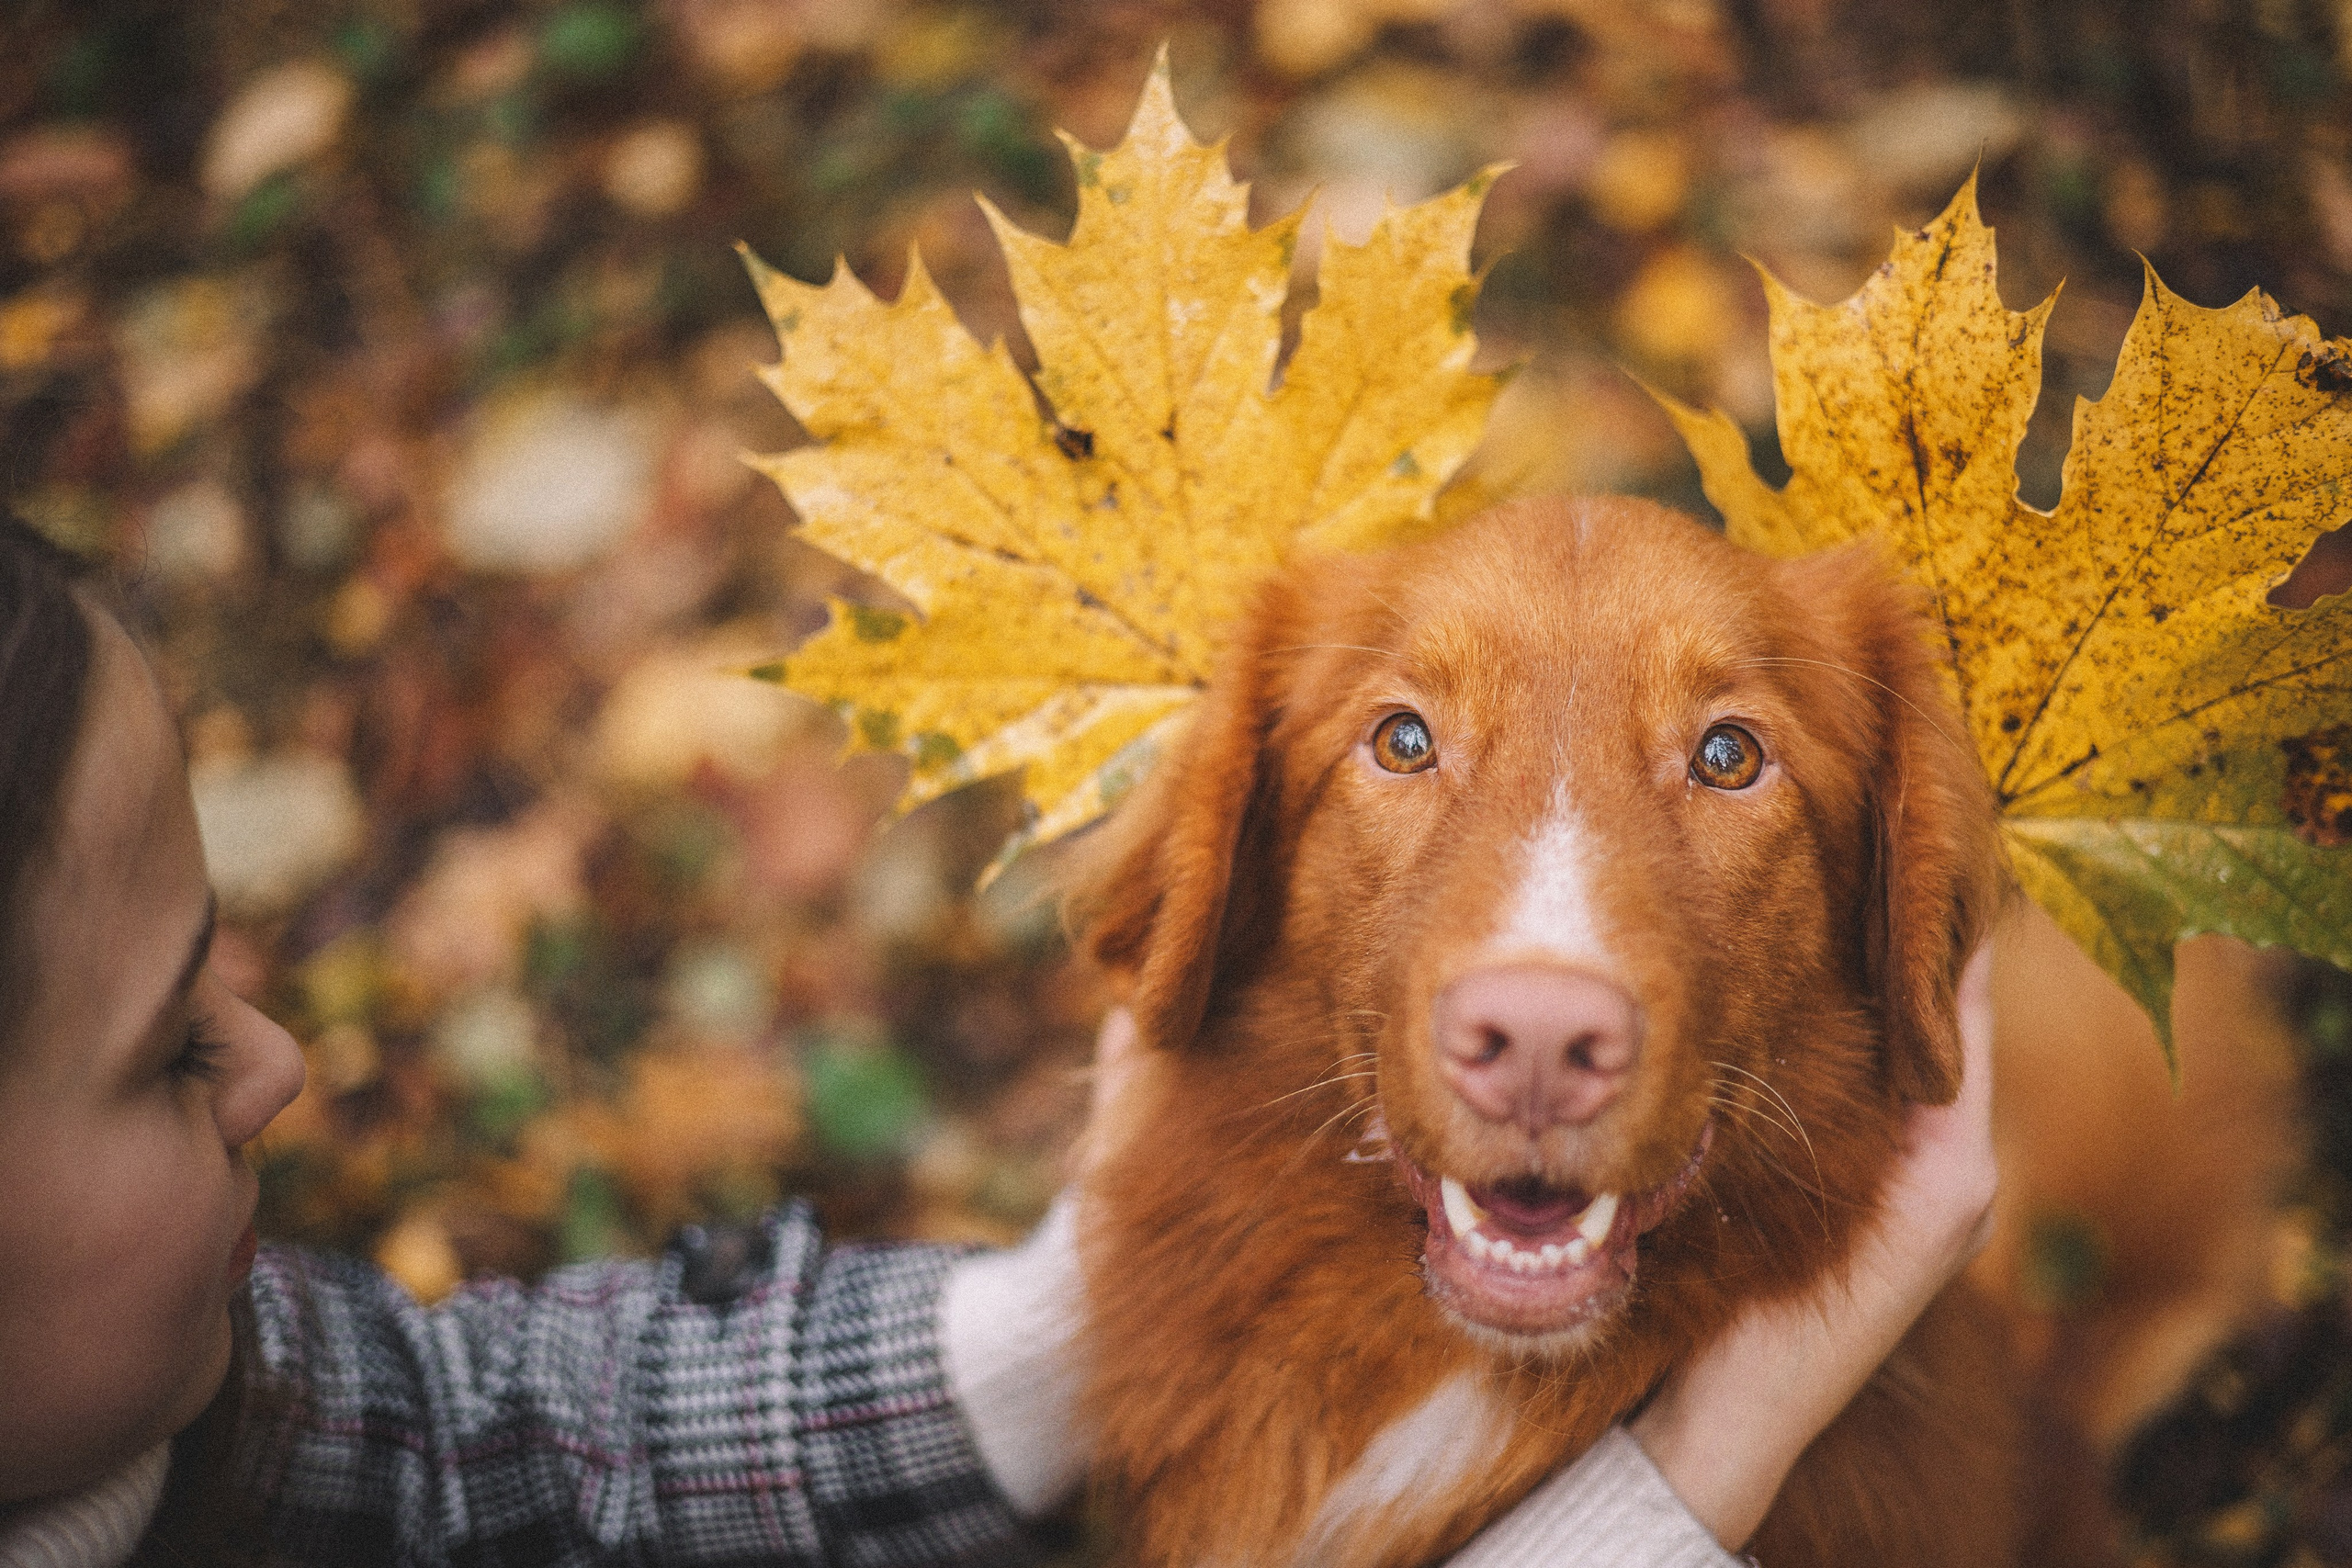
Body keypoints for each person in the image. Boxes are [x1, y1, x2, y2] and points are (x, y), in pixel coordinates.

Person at [0, 513, 1996, 1567]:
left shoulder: (176, 1433)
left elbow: (462, 1448)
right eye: (166, 1043)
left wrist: (1084, 1314)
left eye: (1730, 755)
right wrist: (1706, 1468)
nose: (268, 1058)